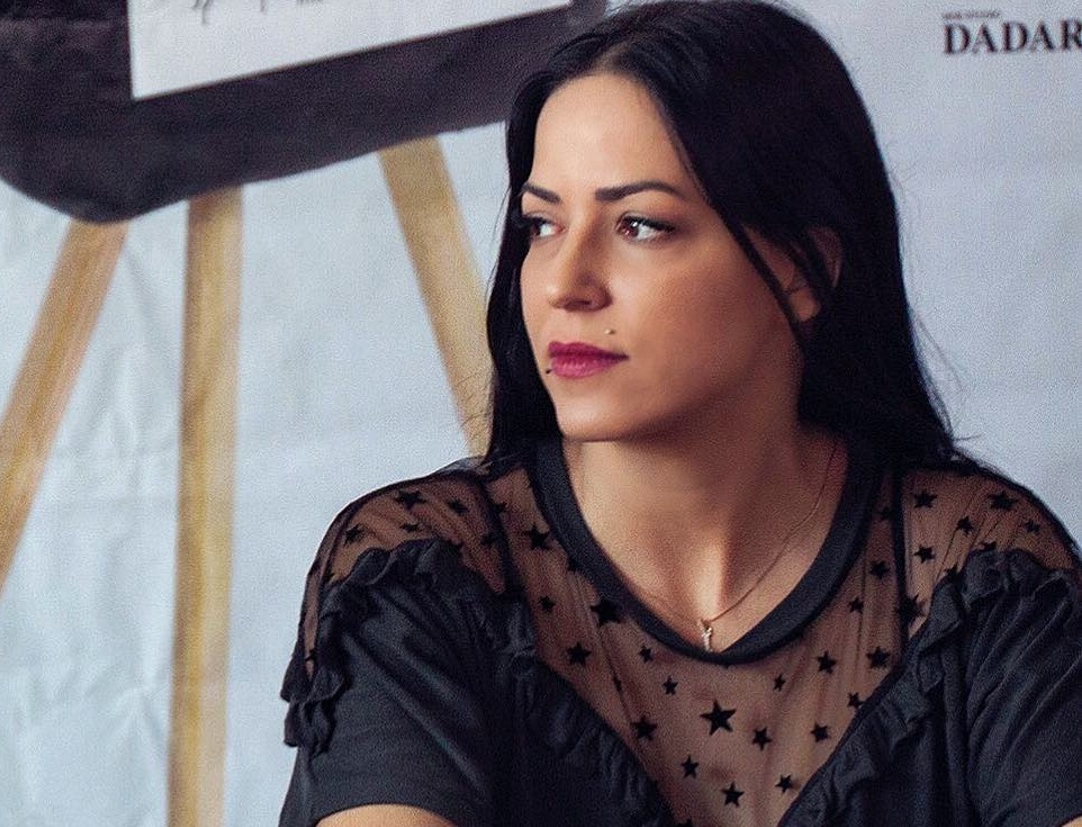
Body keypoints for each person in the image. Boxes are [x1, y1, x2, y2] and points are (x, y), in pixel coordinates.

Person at [278, 2, 1082, 825]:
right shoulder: (421, 575)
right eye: (542, 224)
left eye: (639, 225)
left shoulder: (979, 575)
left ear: (804, 268)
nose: (564, 284)